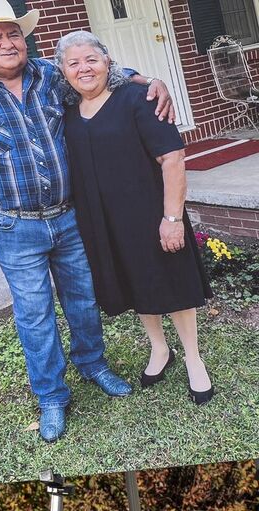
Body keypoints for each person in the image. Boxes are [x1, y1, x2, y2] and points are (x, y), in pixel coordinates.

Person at [0, 0, 172, 442]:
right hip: (13, 226)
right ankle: (52, 396)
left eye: (13, 34)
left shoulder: (48, 75)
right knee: (35, 313)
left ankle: (93, 364)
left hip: (67, 217)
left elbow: (97, 71)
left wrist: (148, 79)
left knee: (82, 298)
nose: (7, 43)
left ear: (24, 40)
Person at [58, 31, 215, 405]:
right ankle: (159, 349)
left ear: (108, 61)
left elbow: (173, 158)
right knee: (134, 282)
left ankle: (193, 358)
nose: (84, 68)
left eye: (91, 59)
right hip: (104, 220)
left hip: (151, 214)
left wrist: (172, 218)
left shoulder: (139, 99)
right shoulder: (67, 112)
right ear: (62, 72)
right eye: (73, 63)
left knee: (172, 283)